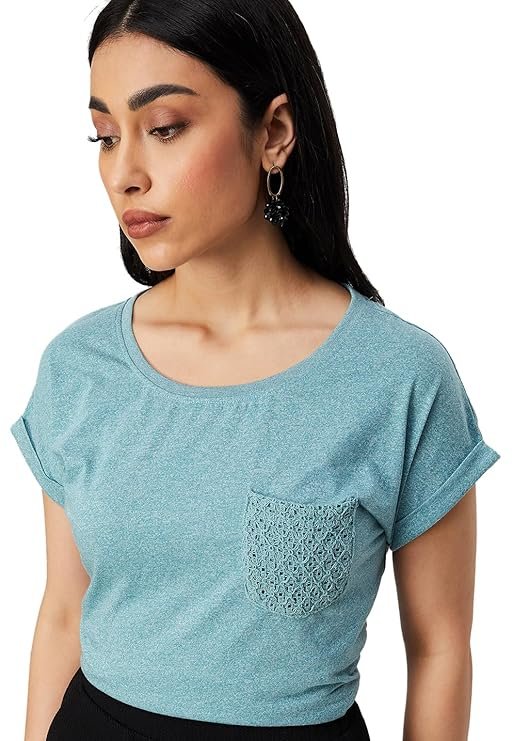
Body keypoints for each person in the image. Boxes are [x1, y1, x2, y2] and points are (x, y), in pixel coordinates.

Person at [10, 1, 501, 740]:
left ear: (273, 133)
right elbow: (60, 614)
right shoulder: (79, 368)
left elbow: (439, 650)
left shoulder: (398, 377)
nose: (124, 174)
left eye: (164, 128)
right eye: (105, 137)